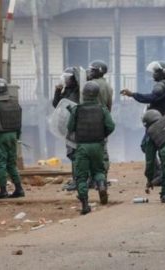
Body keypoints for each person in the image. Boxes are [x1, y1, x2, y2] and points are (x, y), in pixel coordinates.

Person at [67, 81, 115, 215]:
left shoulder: (77, 109)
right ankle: (101, 185)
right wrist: (102, 135)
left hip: (82, 146)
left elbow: (70, 128)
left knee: (81, 176)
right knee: (98, 170)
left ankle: (85, 205)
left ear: (83, 94)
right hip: (98, 145)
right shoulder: (102, 109)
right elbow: (111, 126)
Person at [52, 67, 80, 191]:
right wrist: (57, 91)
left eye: (68, 77)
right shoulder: (66, 90)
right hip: (68, 127)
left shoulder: (78, 91)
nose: (65, 80)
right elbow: (56, 105)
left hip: (75, 127)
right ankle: (76, 179)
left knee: (75, 154)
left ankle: (78, 180)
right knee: (72, 154)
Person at [88, 60, 113, 181]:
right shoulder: (108, 86)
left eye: (93, 70)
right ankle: (103, 177)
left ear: (100, 71)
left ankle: (91, 178)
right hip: (102, 120)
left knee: (87, 150)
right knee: (103, 151)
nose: (90, 72)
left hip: (89, 120)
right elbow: (109, 106)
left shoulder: (90, 85)